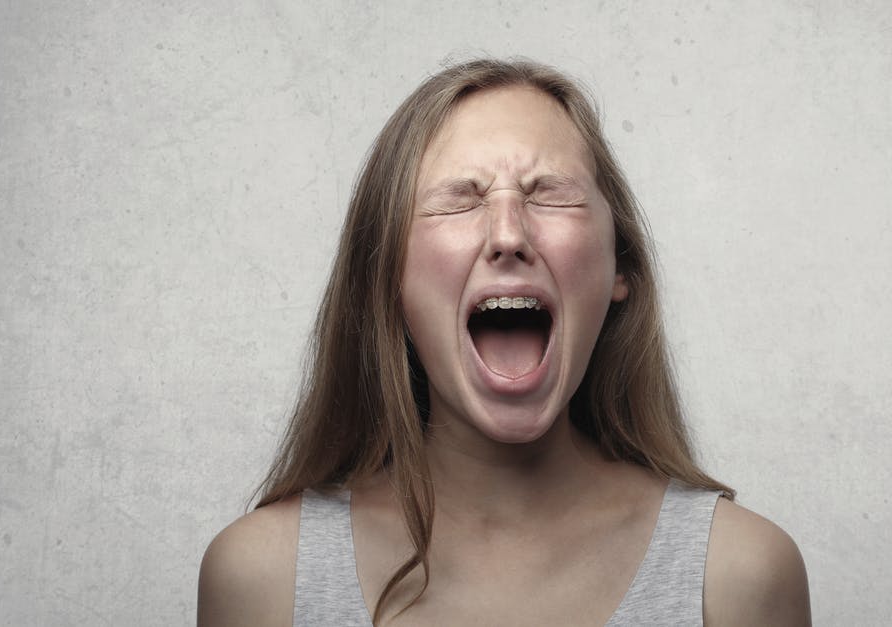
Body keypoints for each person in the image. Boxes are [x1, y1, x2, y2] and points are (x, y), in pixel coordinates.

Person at [198, 58, 810, 626]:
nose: (508, 233)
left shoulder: (740, 577)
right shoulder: (262, 581)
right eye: (459, 199)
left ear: (619, 267)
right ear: (385, 279)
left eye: (549, 191)